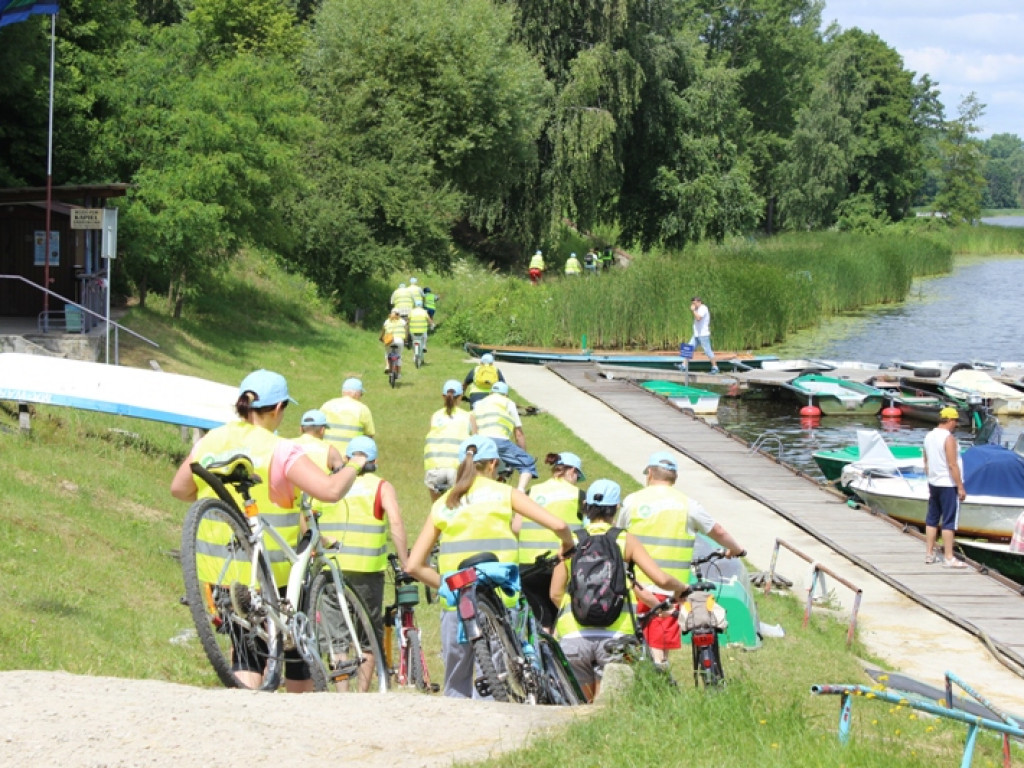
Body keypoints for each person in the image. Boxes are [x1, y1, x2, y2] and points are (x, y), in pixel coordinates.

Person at [170, 369, 368, 693]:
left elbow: (179, 488)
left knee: (247, 654)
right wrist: (356, 465)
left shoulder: (211, 440)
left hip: (221, 572)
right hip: (274, 575)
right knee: (296, 653)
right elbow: (330, 490)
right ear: (277, 409)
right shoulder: (279, 449)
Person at [405, 435, 575, 699]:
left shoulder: (444, 502)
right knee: (499, 674)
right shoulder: (505, 493)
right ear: (494, 464)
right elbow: (560, 526)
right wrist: (567, 546)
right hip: (500, 597)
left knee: (456, 681)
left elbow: (414, 565)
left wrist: (448, 584)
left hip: (457, 599)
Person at [550, 479, 689, 702]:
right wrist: (681, 588)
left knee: (579, 709)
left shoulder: (572, 541)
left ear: (586, 507)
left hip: (573, 637)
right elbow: (660, 579)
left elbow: (555, 593)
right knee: (610, 709)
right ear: (616, 508)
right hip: (617, 638)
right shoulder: (625, 540)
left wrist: (580, 609)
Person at [616, 451, 745, 665]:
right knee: (660, 648)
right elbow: (718, 531)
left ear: (649, 473)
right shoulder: (688, 505)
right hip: (670, 589)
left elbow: (618, 535)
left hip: (636, 586)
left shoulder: (632, 502)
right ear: (674, 478)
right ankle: (658, 683)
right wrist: (736, 549)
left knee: (635, 642)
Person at [318, 435, 408, 690]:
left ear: (347, 460)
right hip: (367, 571)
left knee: (337, 637)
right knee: (367, 634)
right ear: (375, 461)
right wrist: (405, 561)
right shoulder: (381, 486)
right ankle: (363, 692)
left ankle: (342, 692)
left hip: (330, 569)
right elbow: (397, 523)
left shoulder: (331, 483)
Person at [515, 451, 586, 630]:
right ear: (572, 472)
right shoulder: (578, 495)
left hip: (528, 565)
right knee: (561, 618)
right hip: (562, 565)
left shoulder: (532, 492)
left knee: (541, 621)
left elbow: (516, 527)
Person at [471, 381, 537, 491]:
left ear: (491, 392)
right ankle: (520, 491)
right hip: (499, 441)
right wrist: (522, 453)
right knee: (528, 464)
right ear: (505, 394)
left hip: (480, 442)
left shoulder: (478, 404)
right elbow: (519, 434)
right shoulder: (508, 403)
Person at [923, 407, 968, 568]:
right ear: (950, 421)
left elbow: (926, 461)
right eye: (955, 421)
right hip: (948, 484)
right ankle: (949, 557)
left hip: (934, 482)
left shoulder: (929, 436)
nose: (956, 424)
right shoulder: (948, 439)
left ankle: (929, 553)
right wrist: (960, 487)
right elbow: (952, 464)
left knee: (932, 519)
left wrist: (930, 476)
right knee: (949, 521)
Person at [423, 379, 475, 501]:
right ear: (461, 396)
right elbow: (476, 443)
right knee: (458, 507)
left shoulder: (435, 416)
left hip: (434, 468)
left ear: (443, 396)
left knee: (436, 510)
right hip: (457, 469)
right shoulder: (468, 417)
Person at [320, 378, 375, 456]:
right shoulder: (362, 409)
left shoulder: (327, 405)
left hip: (328, 454)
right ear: (356, 394)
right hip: (351, 455)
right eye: (361, 394)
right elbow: (369, 435)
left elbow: (317, 429)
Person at [293, 409, 345, 478]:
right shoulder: (330, 450)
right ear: (322, 430)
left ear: (301, 429)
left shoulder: (285, 445)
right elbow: (342, 478)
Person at [689, 296, 718, 374]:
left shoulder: (703, 308)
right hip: (696, 334)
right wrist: (695, 310)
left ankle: (715, 367)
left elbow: (699, 318)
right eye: (692, 303)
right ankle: (683, 365)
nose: (693, 305)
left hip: (703, 334)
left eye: (694, 303)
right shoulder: (698, 309)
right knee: (688, 348)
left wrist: (693, 310)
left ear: (699, 302)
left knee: (708, 351)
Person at [381, 309, 407, 378]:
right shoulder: (402, 321)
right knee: (399, 356)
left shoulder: (387, 321)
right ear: (399, 314)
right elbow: (406, 330)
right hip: (399, 340)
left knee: (387, 353)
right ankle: (398, 374)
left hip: (389, 340)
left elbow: (383, 331)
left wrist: (381, 338)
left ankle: (387, 366)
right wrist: (406, 339)